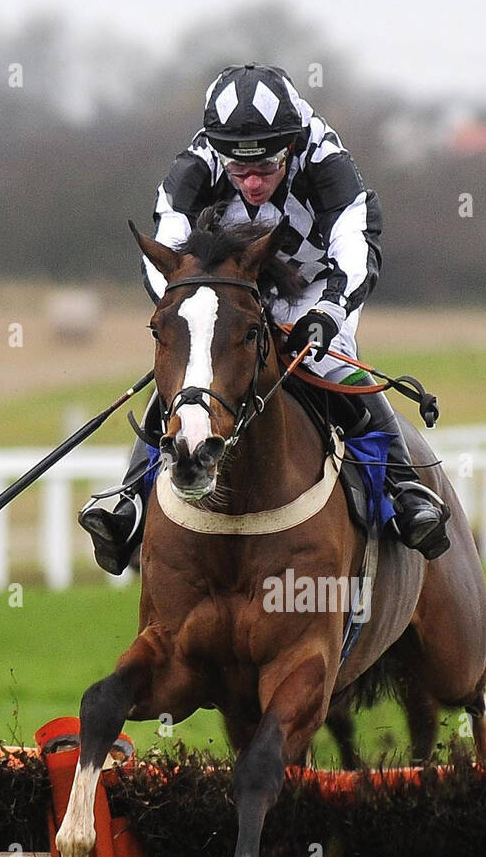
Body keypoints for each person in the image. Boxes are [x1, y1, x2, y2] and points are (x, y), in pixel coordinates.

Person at [79, 63, 449, 573]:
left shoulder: (327, 161)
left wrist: (328, 313)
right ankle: (130, 502)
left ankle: (404, 489)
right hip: (229, 291)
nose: (251, 182)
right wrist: (191, 316)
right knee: (190, 380)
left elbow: (354, 247)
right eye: (238, 170)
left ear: (291, 147)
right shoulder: (193, 167)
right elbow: (163, 251)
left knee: (335, 368)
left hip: (313, 287)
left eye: (267, 168)